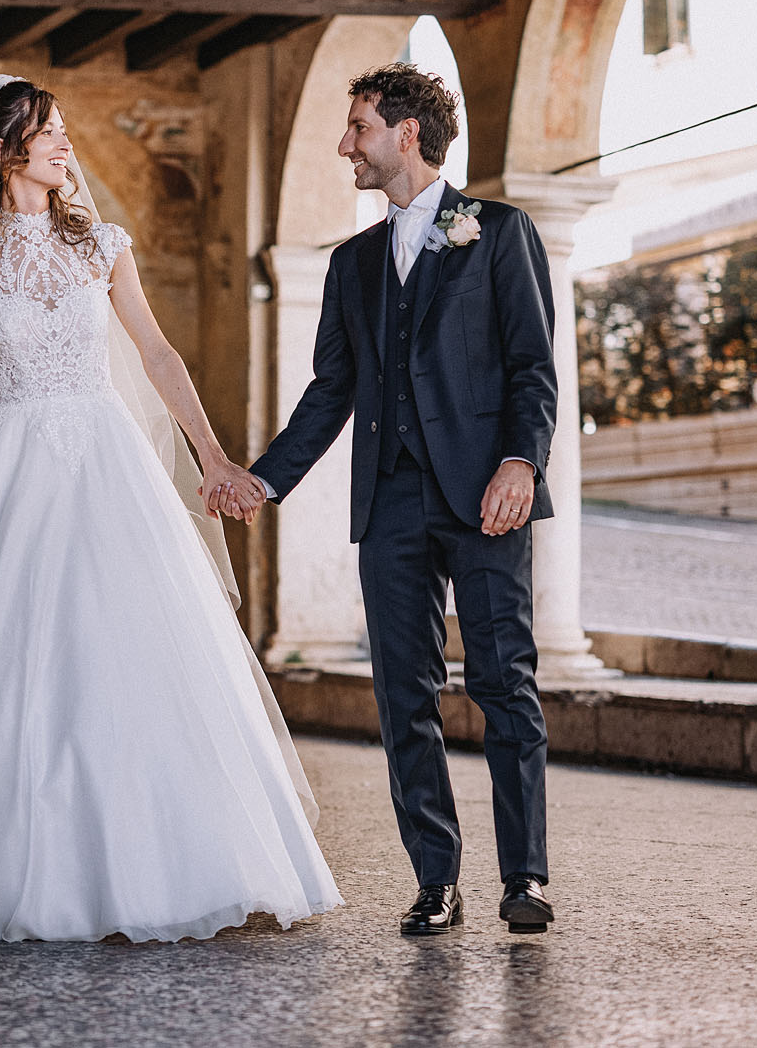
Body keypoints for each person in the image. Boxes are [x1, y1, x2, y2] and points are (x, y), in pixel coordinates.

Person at [0, 76, 341, 942]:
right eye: (48, 133)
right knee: (3, 660)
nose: (64, 145)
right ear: (6, 150)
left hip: (109, 460)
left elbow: (157, 354)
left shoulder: (103, 244)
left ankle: (172, 863)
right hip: (11, 468)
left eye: (62, 131)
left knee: (136, 645)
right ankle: (0, 868)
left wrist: (213, 457)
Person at [214, 62, 559, 938]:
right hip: (393, 503)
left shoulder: (499, 232)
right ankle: (435, 882)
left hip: (487, 497)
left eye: (359, 126)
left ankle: (525, 876)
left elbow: (533, 368)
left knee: (502, 683)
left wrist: (521, 461)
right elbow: (333, 390)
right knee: (403, 697)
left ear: (408, 133)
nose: (345, 144)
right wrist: (266, 477)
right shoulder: (352, 263)